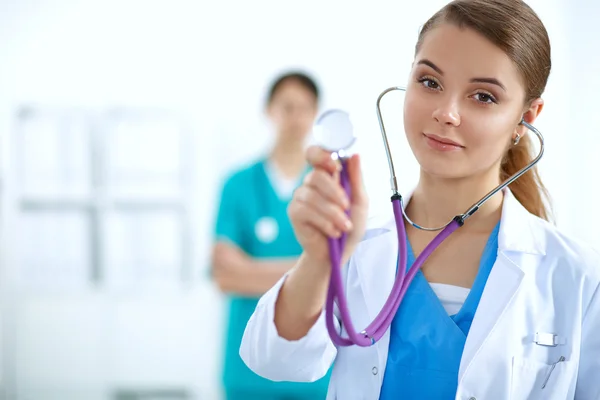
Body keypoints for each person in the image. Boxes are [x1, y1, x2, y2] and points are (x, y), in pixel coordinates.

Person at [239, 1, 600, 399]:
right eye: (430, 82)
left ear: (526, 118)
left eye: (483, 96)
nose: (446, 113)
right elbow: (273, 360)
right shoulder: (358, 248)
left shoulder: (577, 276)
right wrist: (322, 259)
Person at [211, 71, 331, 400]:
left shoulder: (330, 186)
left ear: (315, 114)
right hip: (247, 373)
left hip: (313, 373)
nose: (295, 118)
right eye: (286, 107)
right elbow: (225, 276)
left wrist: (250, 270)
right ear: (269, 111)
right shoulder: (237, 184)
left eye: (304, 108)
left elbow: (340, 273)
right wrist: (312, 268)